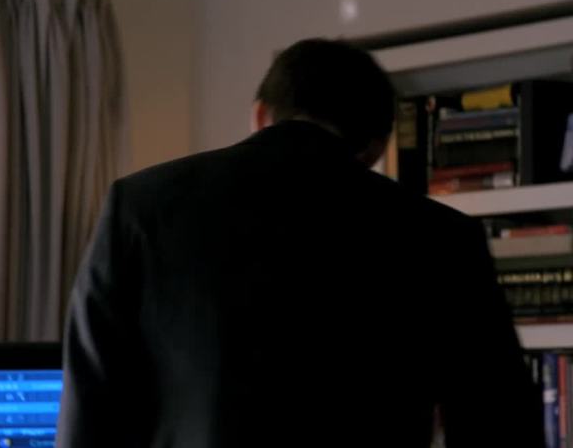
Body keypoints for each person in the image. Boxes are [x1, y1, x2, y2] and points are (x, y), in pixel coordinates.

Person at [56, 39, 544, 447]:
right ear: (375, 147)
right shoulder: (444, 237)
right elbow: (501, 426)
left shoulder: (139, 207)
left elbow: (90, 413)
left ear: (259, 115)